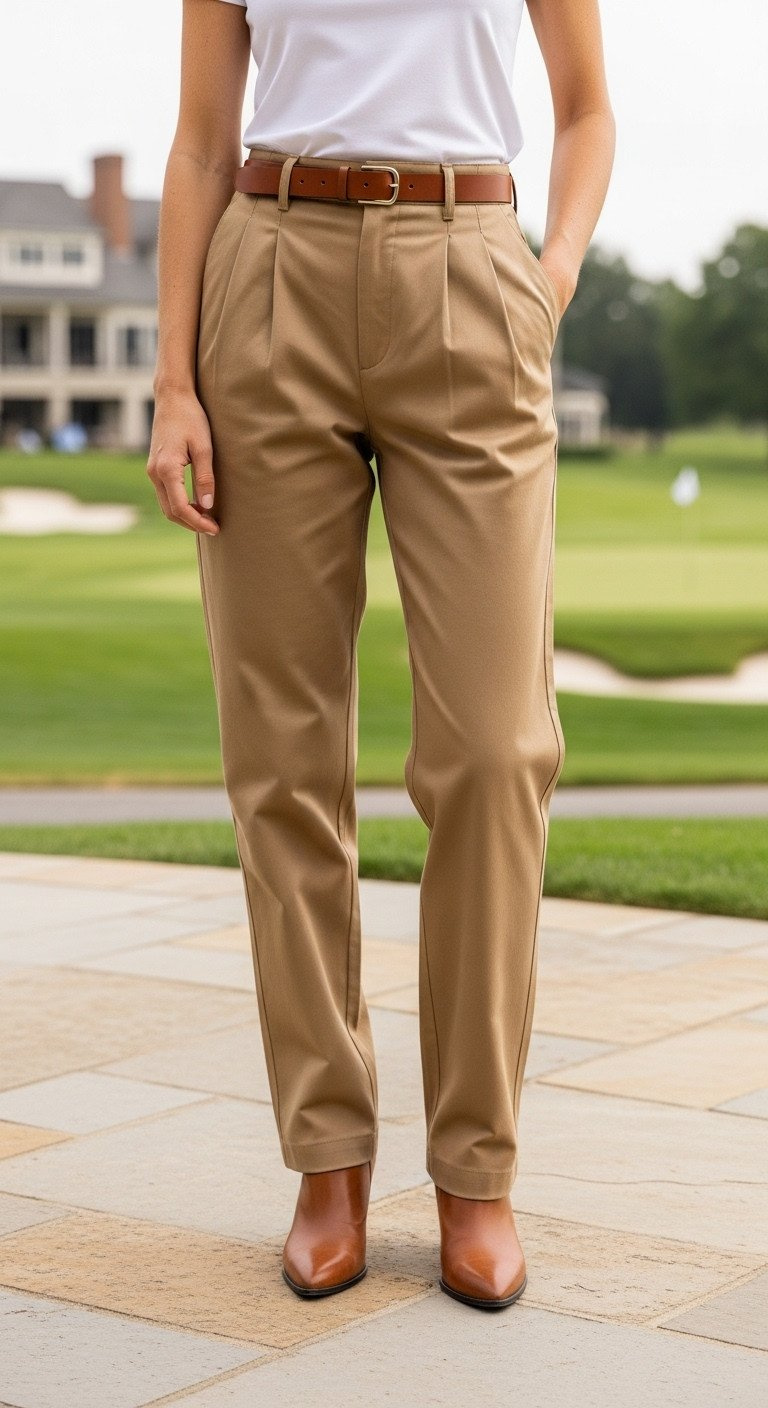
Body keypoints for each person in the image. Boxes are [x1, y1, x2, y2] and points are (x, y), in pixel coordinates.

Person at [147, 0, 615, 1310]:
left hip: (470, 266)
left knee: (493, 749)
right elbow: (196, 142)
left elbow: (586, 106)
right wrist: (176, 383)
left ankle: (478, 1169)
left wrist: (552, 271)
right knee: (281, 756)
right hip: (269, 269)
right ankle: (327, 1161)